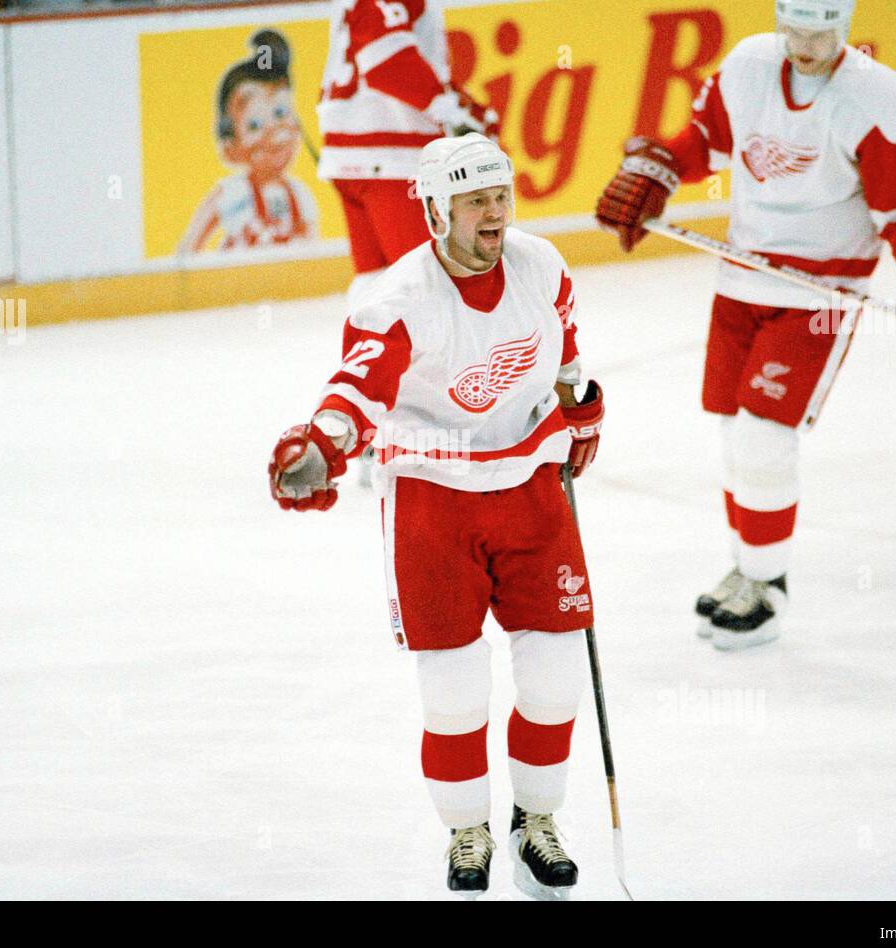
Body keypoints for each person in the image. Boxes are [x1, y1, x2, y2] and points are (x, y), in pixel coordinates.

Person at [268, 134, 604, 899]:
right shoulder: (399, 298)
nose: (495, 214)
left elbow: (565, 359)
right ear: (434, 211)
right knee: (454, 686)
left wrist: (580, 413)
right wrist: (324, 442)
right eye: (475, 201)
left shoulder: (542, 266)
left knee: (554, 674)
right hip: (433, 495)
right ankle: (467, 829)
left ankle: (536, 820)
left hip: (528, 486)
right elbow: (356, 388)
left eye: (501, 196)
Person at [596, 0, 896, 650]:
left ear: (844, 28)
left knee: (765, 437)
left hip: (819, 293)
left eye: (818, 32)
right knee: (734, 433)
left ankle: (767, 586)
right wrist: (657, 171)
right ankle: (746, 568)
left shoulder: (874, 96)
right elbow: (704, 142)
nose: (802, 44)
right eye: (792, 29)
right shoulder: (746, 66)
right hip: (741, 278)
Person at [317, 0, 499, 310]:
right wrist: (450, 112)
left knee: (375, 281)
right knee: (425, 283)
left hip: (352, 155)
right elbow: (386, 62)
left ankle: (371, 355)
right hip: (391, 157)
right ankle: (431, 358)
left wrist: (466, 109)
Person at [177, 29, 318, 254]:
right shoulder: (231, 192)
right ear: (230, 147)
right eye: (254, 125)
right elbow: (188, 248)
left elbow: (313, 255)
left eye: (281, 112)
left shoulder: (300, 196)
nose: (273, 129)